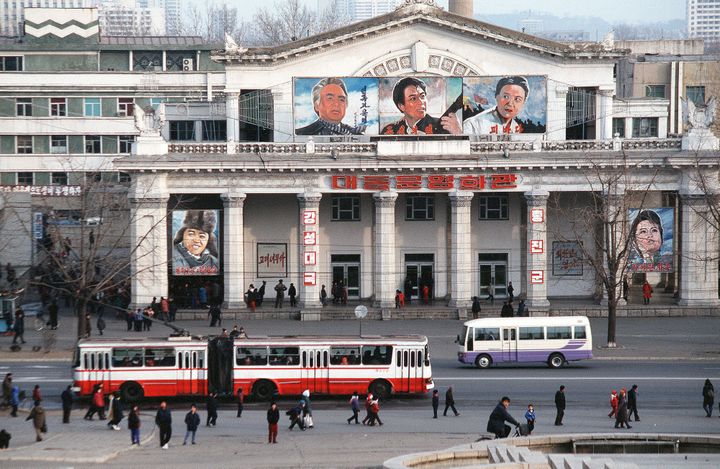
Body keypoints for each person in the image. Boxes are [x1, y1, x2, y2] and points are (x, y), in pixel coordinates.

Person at [381, 77, 461, 135]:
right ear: (401, 106)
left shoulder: (444, 126)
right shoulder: (390, 130)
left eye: (422, 96)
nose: (421, 102)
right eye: (413, 98)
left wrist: (458, 133)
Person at [296, 77, 366, 135]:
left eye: (341, 99)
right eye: (330, 98)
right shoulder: (301, 134)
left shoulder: (357, 135)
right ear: (317, 105)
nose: (336, 104)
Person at [464, 76, 529, 135]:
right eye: (506, 96)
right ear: (497, 96)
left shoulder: (515, 127)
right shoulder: (473, 125)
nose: (510, 103)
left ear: (523, 103)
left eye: (517, 99)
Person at [171, 210, 220, 275]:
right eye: (191, 234)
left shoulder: (214, 261)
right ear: (183, 234)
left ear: (209, 239)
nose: (196, 240)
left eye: (202, 236)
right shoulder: (173, 256)